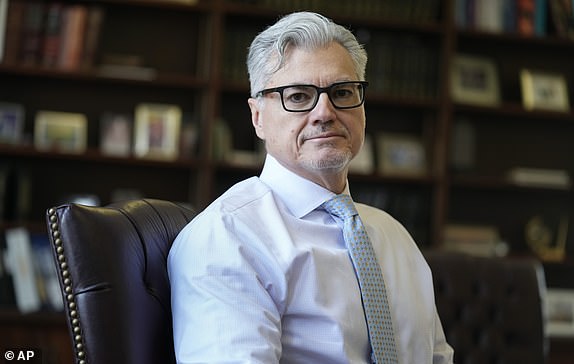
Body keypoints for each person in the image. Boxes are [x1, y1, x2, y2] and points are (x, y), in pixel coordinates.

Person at [168, 11, 454, 363]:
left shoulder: (394, 236)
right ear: (257, 116)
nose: (325, 112)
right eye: (299, 96)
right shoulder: (228, 238)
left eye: (342, 92)